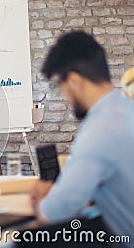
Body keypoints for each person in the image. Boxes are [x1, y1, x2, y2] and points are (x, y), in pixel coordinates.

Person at [30, 31, 134, 245]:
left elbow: (53, 213)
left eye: (62, 87)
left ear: (75, 80)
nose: (66, 97)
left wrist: (40, 201)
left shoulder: (100, 129)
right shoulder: (125, 108)